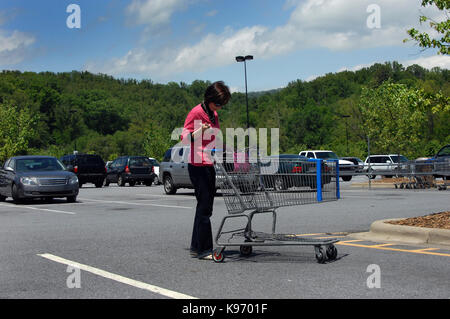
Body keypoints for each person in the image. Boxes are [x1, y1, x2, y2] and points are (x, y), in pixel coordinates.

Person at [181, 81, 231, 260]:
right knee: (205, 207)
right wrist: (199, 131)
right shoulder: (196, 112)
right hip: (197, 164)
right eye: (218, 103)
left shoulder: (213, 114)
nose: (220, 107)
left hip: (208, 162)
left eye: (222, 104)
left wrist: (228, 149)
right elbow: (185, 138)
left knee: (203, 207)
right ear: (209, 99)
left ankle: (196, 247)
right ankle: (205, 250)